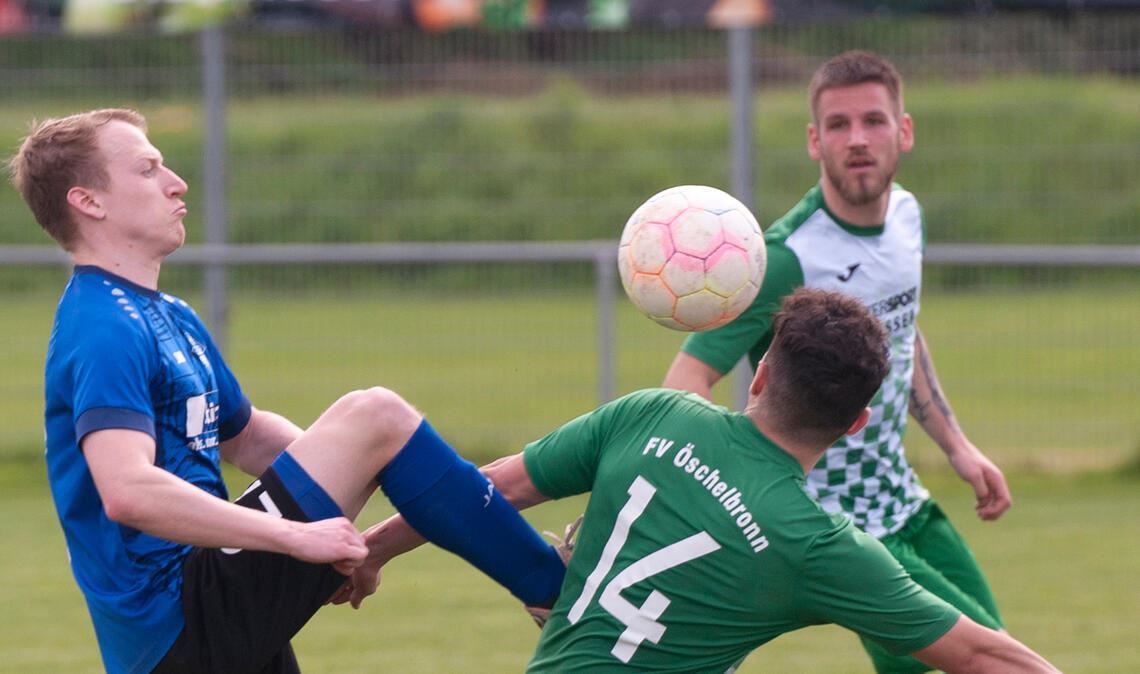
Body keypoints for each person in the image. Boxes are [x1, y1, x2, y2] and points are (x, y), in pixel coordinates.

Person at [8, 108, 567, 674]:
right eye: (148, 169)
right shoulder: (102, 326)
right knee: (374, 416)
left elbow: (248, 438)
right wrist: (294, 537)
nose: (176, 182)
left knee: (375, 430)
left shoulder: (167, 314)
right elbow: (127, 489)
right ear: (89, 202)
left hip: (209, 594)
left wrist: (342, 503)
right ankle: (559, 594)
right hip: (173, 618)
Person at [337, 288, 1058, 673]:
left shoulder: (653, 414)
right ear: (857, 423)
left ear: (762, 372)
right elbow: (985, 656)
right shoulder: (819, 546)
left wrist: (372, 550)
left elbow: (486, 489)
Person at [662, 50, 1013, 674]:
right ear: (813, 141)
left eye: (874, 121)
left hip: (904, 501)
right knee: (988, 662)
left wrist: (958, 446)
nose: (858, 140)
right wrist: (735, 488)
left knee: (995, 650)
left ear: (903, 131)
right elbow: (687, 380)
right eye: (839, 125)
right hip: (835, 528)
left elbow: (900, 337)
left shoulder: (907, 217)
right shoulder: (782, 259)